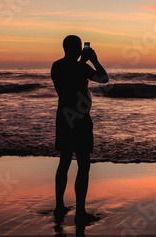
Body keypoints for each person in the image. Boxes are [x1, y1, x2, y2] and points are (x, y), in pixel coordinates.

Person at [51, 35, 108, 226]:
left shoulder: (56, 66)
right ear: (78, 49)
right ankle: (80, 212)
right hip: (81, 120)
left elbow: (69, 78)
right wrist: (94, 60)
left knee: (64, 162)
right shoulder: (82, 67)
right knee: (83, 165)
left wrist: (82, 62)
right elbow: (103, 78)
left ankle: (59, 206)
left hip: (64, 117)